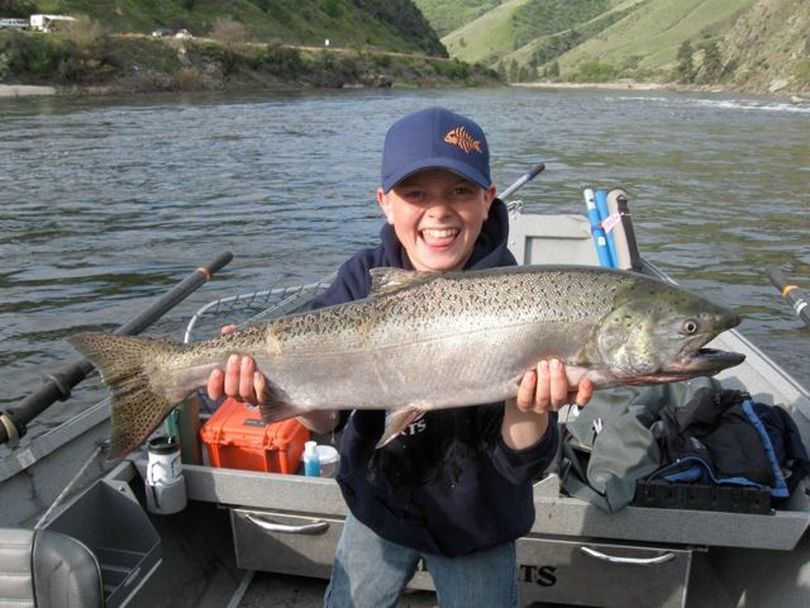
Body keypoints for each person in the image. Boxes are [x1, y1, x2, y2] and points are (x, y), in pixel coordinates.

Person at [207, 106, 594, 607]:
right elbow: (328, 417)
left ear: (488, 199)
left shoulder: (523, 302)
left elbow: (523, 467)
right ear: (385, 203)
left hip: (481, 522)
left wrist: (531, 405)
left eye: (459, 191)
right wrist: (276, 388)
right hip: (378, 507)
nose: (439, 212)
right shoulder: (359, 279)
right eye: (416, 194)